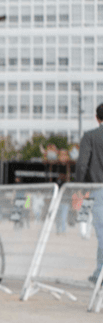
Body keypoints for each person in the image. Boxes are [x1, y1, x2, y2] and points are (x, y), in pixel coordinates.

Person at [74, 105, 103, 282]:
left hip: (98, 188)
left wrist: (79, 186)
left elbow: (82, 164)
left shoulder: (91, 137)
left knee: (102, 232)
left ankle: (100, 271)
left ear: (97, 117)